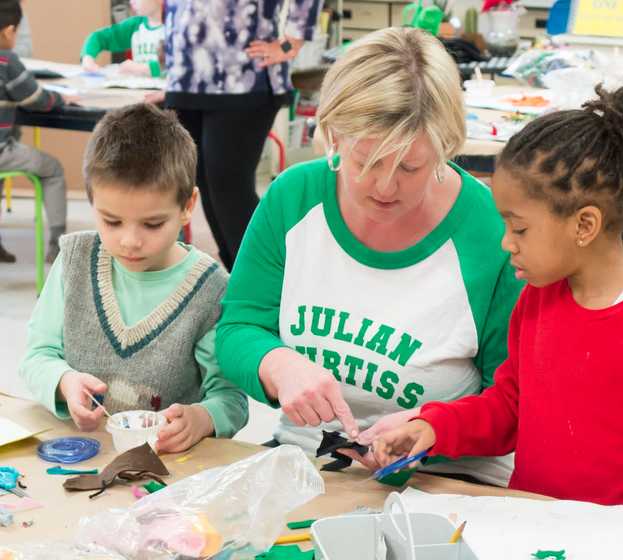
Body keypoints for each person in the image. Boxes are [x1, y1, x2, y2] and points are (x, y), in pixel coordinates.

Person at [372, 80, 623, 513]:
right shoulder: (536, 301)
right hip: (532, 525)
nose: (506, 243)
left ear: (584, 226)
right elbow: (508, 407)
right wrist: (434, 426)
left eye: (519, 229)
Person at [216, 27, 523, 485]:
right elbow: (238, 327)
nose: (384, 187)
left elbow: (513, 403)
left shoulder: (489, 232)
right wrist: (277, 365)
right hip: (309, 465)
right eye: (366, 161)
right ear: (333, 135)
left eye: (409, 167)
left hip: (447, 480)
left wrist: (430, 427)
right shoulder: (292, 199)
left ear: (445, 147)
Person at [20, 103, 249, 453]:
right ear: (92, 200)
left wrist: (203, 418)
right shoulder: (75, 260)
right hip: (78, 454)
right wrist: (63, 381)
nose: (130, 241)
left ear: (188, 205)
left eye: (152, 224)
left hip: (166, 471)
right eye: (111, 221)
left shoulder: (212, 289)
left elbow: (230, 397)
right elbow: (38, 356)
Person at [163, 0, 320, 270]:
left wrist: (290, 43)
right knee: (205, 186)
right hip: (187, 73)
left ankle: (270, 280)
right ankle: (240, 279)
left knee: (229, 188)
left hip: (244, 76)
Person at [0, 0, 71, 264]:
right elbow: (37, 99)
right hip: (1, 151)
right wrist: (63, 99)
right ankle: (57, 246)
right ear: (9, 32)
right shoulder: (7, 60)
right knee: (52, 169)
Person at [81, 0, 164, 77]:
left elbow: (175, 66)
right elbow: (98, 37)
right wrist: (88, 58)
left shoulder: (175, 29)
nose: (131, 2)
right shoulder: (135, 25)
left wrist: (146, 69)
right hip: (140, 91)